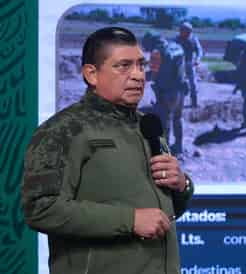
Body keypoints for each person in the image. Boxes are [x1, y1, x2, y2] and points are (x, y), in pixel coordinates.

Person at [21, 27, 194, 274]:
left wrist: (182, 186)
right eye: (123, 66)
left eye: (141, 65)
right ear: (91, 74)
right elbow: (40, 208)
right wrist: (130, 220)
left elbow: (164, 211)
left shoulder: (149, 126)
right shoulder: (65, 130)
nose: (138, 76)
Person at [142, 32, 187, 156]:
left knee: (164, 122)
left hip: (167, 93)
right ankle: (179, 146)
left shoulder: (157, 53)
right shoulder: (176, 47)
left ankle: (165, 152)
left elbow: (153, 74)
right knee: (178, 118)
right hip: (181, 90)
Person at [175, 21, 203, 108]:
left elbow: (199, 50)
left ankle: (194, 103)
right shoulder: (176, 39)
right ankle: (177, 103)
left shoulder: (193, 39)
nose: (183, 32)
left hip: (190, 63)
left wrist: (198, 59)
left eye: (187, 31)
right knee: (178, 84)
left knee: (193, 84)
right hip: (179, 65)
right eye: (182, 30)